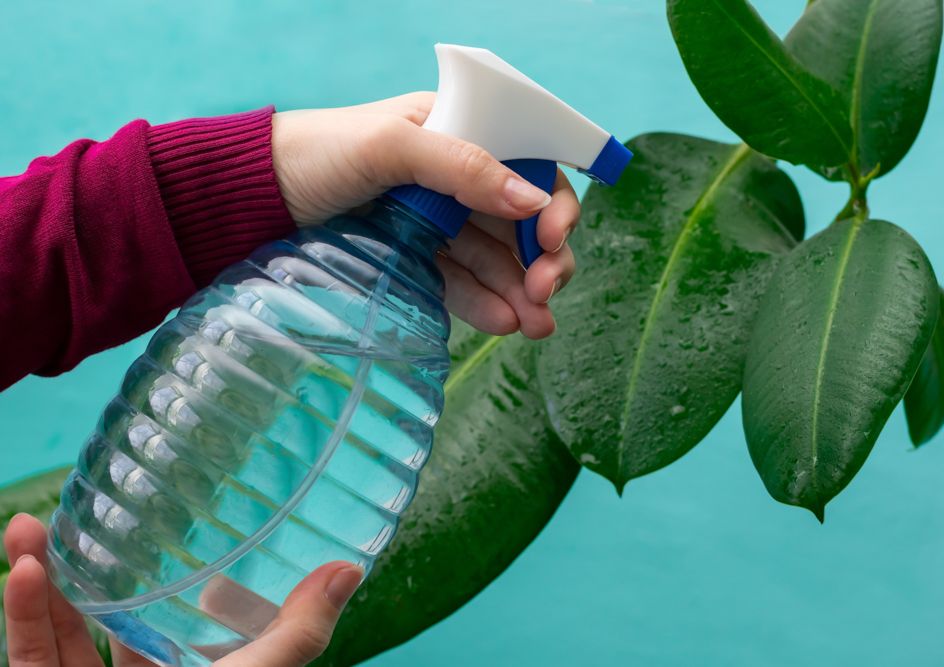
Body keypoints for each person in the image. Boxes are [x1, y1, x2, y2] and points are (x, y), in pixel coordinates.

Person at [0, 92, 579, 665]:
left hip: (103, 561)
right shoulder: (329, 286)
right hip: (175, 610)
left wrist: (255, 171)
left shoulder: (344, 294)